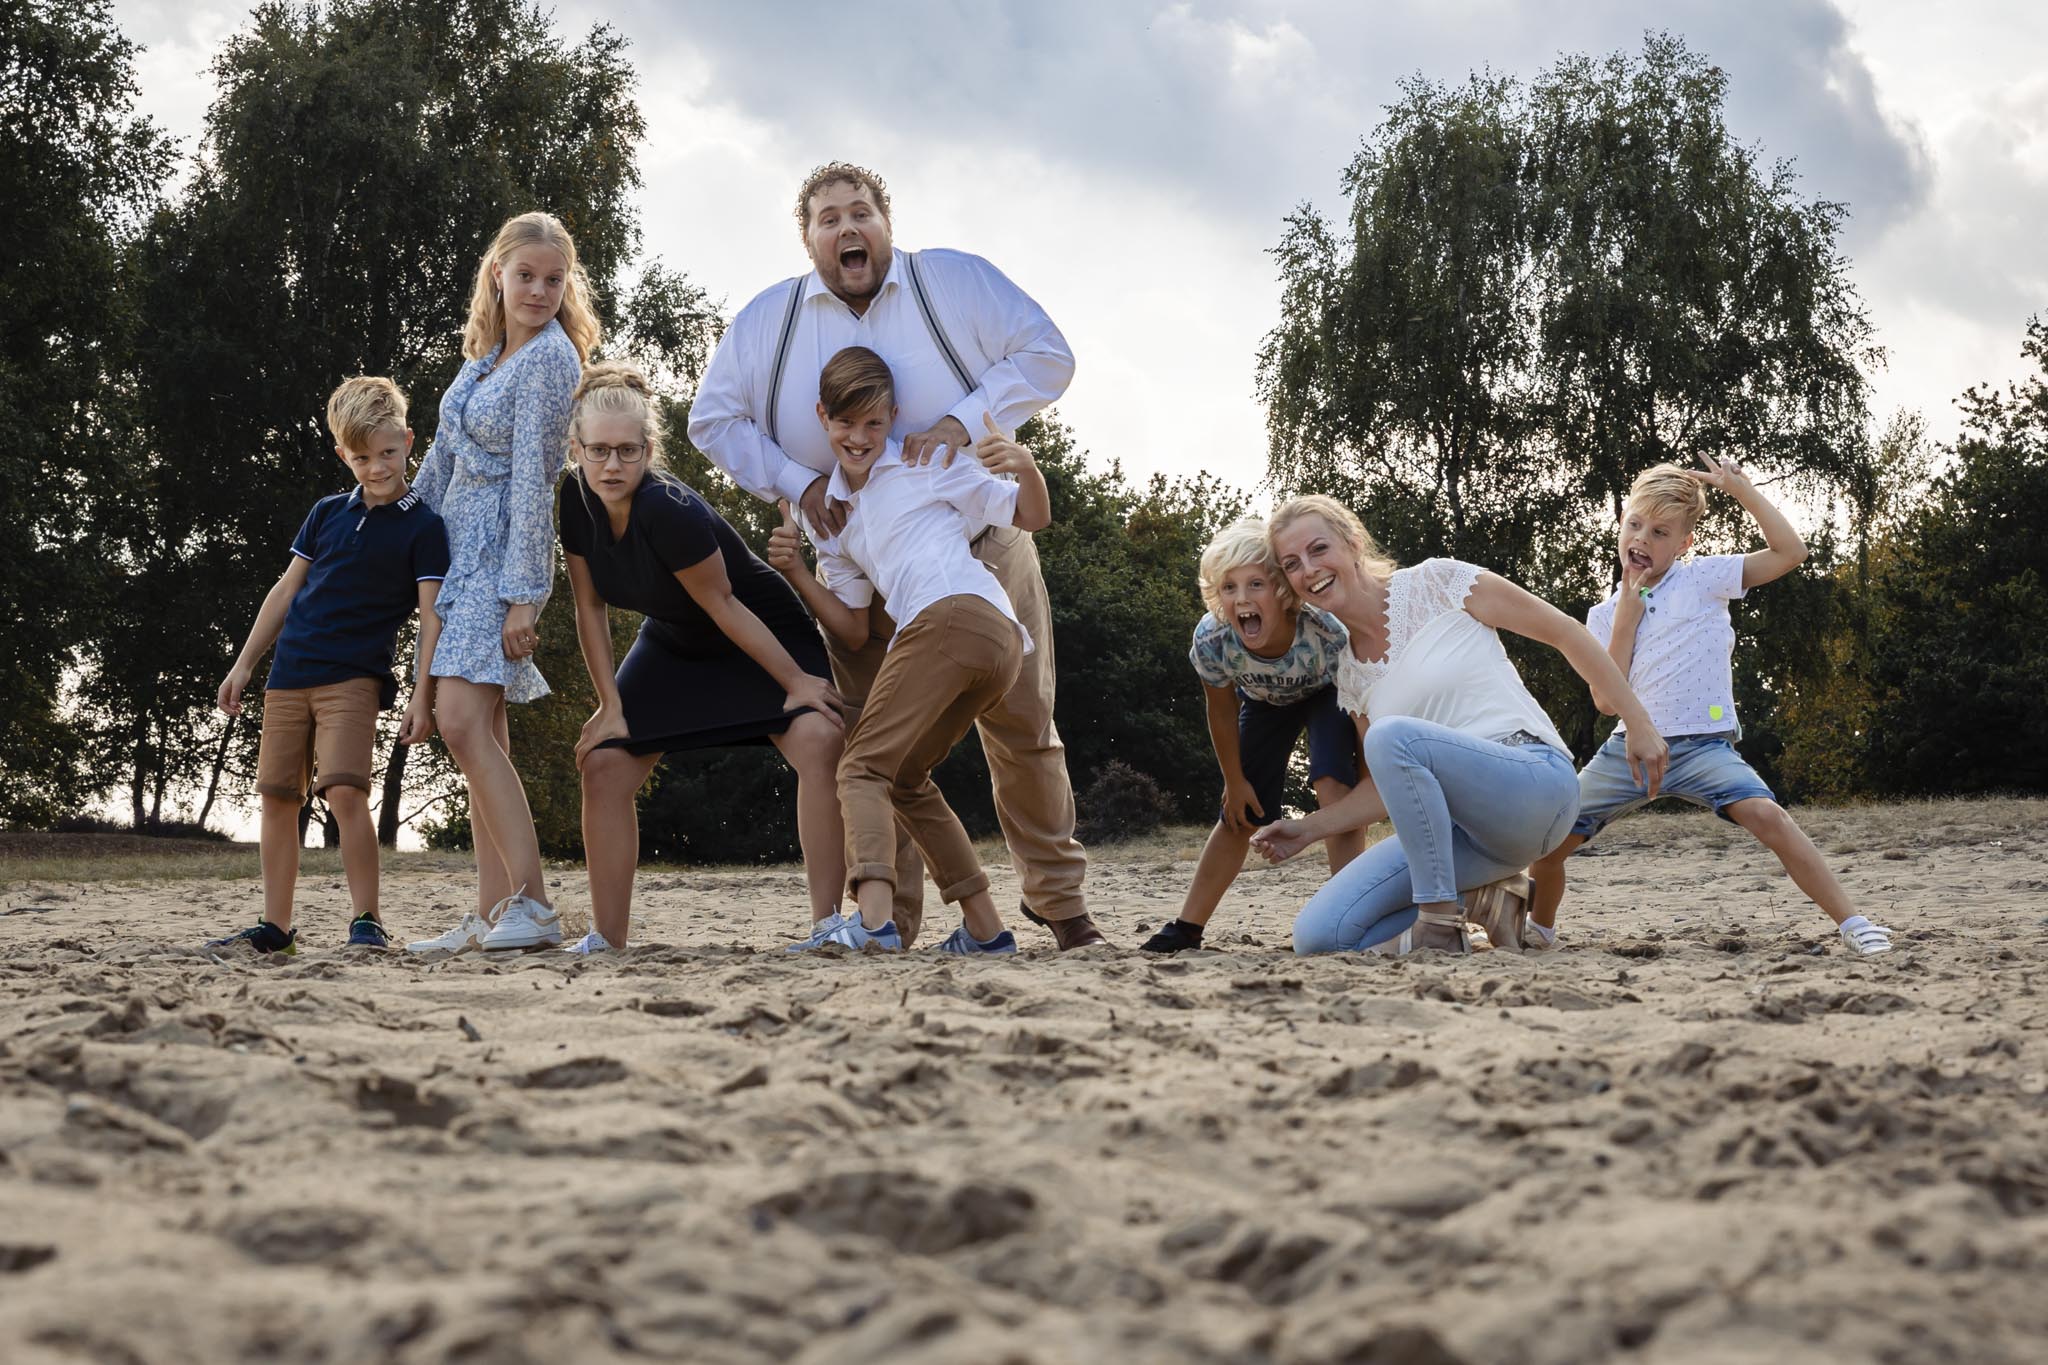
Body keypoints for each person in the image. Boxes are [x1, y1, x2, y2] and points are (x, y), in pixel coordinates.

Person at [688, 162, 1103, 951]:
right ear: (808, 239)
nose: (847, 228)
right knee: (877, 744)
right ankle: (895, 921)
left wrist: (962, 420)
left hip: (977, 544)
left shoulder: (950, 282)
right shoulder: (768, 320)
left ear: (887, 221)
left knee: (1023, 727)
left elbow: (1050, 354)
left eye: (861, 212)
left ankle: (1060, 903)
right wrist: (798, 481)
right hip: (852, 553)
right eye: (827, 218)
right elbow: (712, 419)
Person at [1250, 496, 1670, 955]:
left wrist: (1638, 721)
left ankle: (1437, 923)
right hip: (1459, 837)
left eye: (1318, 549)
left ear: (1353, 544)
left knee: (1392, 737)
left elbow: (1565, 632)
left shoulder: (1438, 582)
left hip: (1534, 785)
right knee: (1320, 935)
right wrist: (1309, 828)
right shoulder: (1350, 672)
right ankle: (1484, 898)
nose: (1309, 569)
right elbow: (1388, 784)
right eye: (1292, 564)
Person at [1527, 458, 1895, 955]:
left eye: (1660, 532)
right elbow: (1604, 701)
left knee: (1770, 817)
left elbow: (1791, 552)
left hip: (1702, 746)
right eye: (1635, 524)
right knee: (1546, 842)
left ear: (1683, 544)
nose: (1642, 538)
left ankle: (1854, 923)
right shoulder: (1603, 614)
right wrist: (1626, 621)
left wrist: (1743, 490)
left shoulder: (1704, 578)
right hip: (1626, 754)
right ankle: (1540, 930)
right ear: (1620, 525)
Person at [765, 347, 1048, 955]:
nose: (860, 438)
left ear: (893, 417)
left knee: (860, 768)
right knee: (907, 779)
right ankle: (986, 931)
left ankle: (872, 927)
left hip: (955, 617)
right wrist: (798, 573)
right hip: (987, 642)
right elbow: (849, 628)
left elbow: (1031, 514)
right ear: (823, 417)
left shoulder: (926, 464)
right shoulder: (833, 519)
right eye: (845, 424)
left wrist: (1025, 466)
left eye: (873, 423)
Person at [559, 362, 849, 954]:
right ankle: (606, 938)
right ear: (576, 449)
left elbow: (725, 605)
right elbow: (588, 610)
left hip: (757, 626)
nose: (612, 465)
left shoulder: (669, 509)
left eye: (627, 451)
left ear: (648, 449)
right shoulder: (572, 500)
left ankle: (829, 925)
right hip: (676, 638)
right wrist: (609, 705)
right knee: (604, 764)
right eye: (599, 451)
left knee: (819, 739)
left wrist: (795, 681)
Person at [209, 377, 448, 953]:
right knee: (277, 797)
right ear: (343, 454)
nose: (376, 467)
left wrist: (424, 696)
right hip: (289, 674)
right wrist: (244, 665)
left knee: (343, 792)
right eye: (362, 457)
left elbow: (432, 617)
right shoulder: (325, 514)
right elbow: (285, 592)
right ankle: (276, 927)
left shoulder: (425, 527)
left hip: (354, 678)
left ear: (409, 442)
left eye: (388, 453)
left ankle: (367, 919)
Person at [406, 211, 591, 955]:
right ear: (498, 274)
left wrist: (525, 594)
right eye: (527, 276)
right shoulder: (483, 359)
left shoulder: (550, 361)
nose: (540, 290)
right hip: (454, 556)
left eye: (554, 279)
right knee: (483, 736)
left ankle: (536, 906)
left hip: (496, 559)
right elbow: (441, 461)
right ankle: (492, 911)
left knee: (456, 722)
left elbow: (532, 485)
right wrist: (391, 526)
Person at [1143, 516, 1363, 953]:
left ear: (1282, 590)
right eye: (1229, 588)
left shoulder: (1326, 632)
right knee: (1240, 812)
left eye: (1255, 584)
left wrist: (1365, 775)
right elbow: (1221, 711)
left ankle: (1352, 915)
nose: (1241, 598)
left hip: (1328, 692)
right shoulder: (1214, 638)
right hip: (1264, 703)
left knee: (1333, 788)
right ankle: (1188, 926)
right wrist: (1234, 780)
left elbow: (1360, 702)